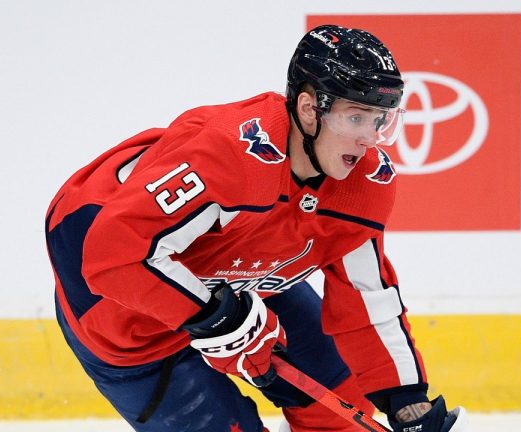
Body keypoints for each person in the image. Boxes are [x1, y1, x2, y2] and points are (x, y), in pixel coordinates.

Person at [44, 24, 467, 432]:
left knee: (343, 409)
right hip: (119, 309)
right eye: (356, 118)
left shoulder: (364, 182)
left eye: (380, 120)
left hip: (245, 276)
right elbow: (111, 253)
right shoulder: (225, 154)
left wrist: (409, 404)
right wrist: (214, 316)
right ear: (308, 109)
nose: (369, 139)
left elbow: (366, 296)